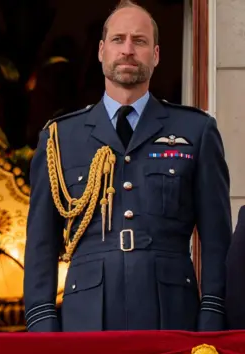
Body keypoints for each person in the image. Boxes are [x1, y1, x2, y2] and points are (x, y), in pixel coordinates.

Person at [24, 0, 231, 332]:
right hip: (85, 320)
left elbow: (218, 240)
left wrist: (213, 316)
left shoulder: (196, 131)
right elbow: (41, 245)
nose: (128, 49)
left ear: (157, 54)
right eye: (118, 40)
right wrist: (42, 325)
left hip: (172, 316)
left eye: (140, 40)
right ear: (101, 51)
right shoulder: (60, 138)